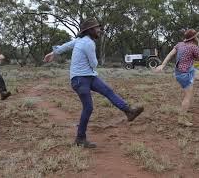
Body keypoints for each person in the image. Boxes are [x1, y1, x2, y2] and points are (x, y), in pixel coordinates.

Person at [43, 18, 144, 148]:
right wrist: (92, 60)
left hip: (88, 77)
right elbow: (94, 64)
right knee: (88, 107)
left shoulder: (80, 40)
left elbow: (66, 45)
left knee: (108, 90)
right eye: (97, 28)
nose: (99, 30)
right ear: (90, 30)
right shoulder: (88, 43)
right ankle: (80, 138)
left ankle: (129, 111)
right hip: (80, 79)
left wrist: (53, 53)